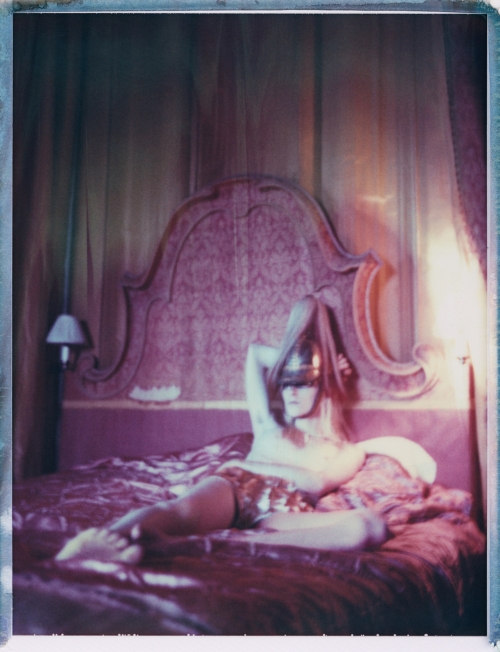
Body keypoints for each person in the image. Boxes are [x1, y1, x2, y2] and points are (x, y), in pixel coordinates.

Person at [56, 295, 433, 564]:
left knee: (370, 528)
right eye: (285, 382)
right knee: (177, 512)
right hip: (238, 487)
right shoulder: (267, 425)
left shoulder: (347, 450)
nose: (290, 391)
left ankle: (231, 544)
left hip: (283, 510)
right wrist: (300, 357)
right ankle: (106, 541)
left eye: (302, 382)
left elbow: (316, 484)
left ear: (323, 386)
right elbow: (255, 354)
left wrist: (248, 462)